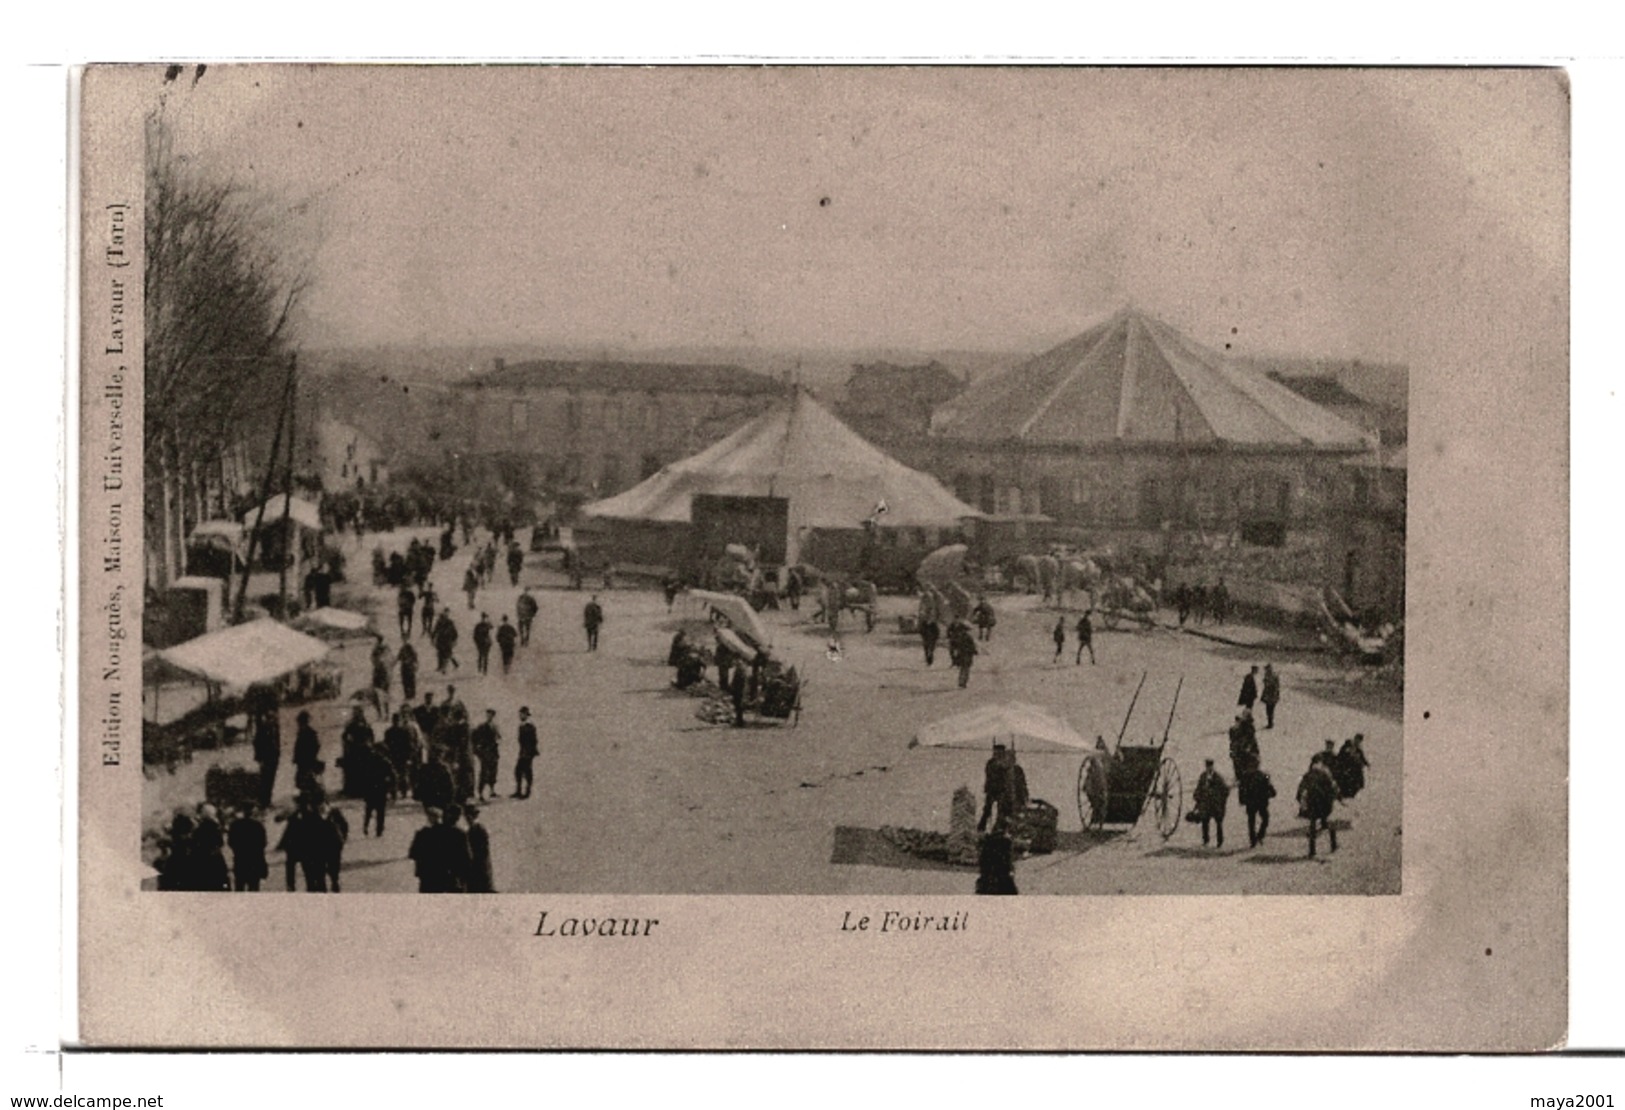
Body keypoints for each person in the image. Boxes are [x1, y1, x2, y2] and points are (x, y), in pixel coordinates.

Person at [1297, 754, 1340, 857]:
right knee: (1325, 824)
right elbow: (1333, 789)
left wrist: (1302, 803)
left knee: (1313, 825)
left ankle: (1312, 851)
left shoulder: (1308, 775)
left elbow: (1301, 790)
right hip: (1324, 804)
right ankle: (1333, 844)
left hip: (1312, 804)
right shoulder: (1325, 774)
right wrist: (1334, 798)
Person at [227, 805, 269, 892]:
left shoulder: (235, 825)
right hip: (254, 861)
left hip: (240, 860)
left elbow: (230, 842)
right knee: (254, 887)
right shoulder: (258, 826)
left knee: (239, 887)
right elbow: (263, 843)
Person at [359, 740, 395, 838]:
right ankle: (369, 827)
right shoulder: (380, 761)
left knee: (375, 811)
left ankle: (376, 829)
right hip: (376, 789)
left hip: (377, 789)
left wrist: (392, 790)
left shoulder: (373, 760)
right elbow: (393, 777)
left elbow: (392, 777)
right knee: (374, 811)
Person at [1193, 759, 1230, 848]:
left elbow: (1225, 790)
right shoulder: (1203, 776)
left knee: (1218, 823)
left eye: (1210, 766)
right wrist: (1197, 797)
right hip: (1206, 804)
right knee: (1205, 822)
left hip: (1215, 805)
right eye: (1207, 766)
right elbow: (1198, 788)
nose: (1208, 768)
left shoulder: (1218, 777)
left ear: (1212, 767)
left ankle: (1219, 841)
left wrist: (1221, 801)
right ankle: (1206, 840)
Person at [384, 710, 419, 802]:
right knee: (394, 774)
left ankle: (402, 792)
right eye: (395, 720)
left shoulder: (403, 731)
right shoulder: (389, 732)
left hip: (402, 756)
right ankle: (394, 793)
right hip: (394, 756)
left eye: (397, 720)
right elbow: (386, 745)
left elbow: (409, 745)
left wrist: (409, 757)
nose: (396, 722)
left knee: (402, 775)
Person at [1237, 766, 1277, 848]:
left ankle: (1254, 840)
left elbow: (1241, 789)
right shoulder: (1262, 775)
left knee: (1252, 821)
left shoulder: (1245, 776)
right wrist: (1270, 794)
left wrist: (1242, 800)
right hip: (1260, 802)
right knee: (1264, 819)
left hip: (1252, 803)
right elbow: (1271, 789)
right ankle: (1258, 836)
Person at [339, 706, 374, 798]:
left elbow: (371, 736)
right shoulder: (352, 724)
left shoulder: (366, 724)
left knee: (364, 770)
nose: (358, 714)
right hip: (355, 750)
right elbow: (344, 736)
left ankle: (363, 789)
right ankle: (354, 790)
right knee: (354, 770)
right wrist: (349, 743)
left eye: (359, 712)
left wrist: (369, 743)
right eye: (356, 713)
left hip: (363, 750)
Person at [975, 825, 1018, 895]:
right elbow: (1007, 861)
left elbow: (982, 862)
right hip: (1001, 878)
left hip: (989, 878)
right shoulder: (1005, 843)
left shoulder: (988, 844)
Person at [252, 708, 281, 809]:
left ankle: (268, 801)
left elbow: (277, 742)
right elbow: (256, 743)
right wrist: (259, 759)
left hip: (274, 757)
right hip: (266, 759)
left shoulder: (276, 727)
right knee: (265, 780)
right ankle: (263, 802)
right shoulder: (263, 729)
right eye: (272, 718)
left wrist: (278, 755)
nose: (274, 720)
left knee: (271, 779)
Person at [472, 709, 501, 802]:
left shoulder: (495, 726)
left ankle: (492, 791)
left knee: (493, 771)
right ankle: (480, 793)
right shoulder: (482, 726)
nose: (489, 716)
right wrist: (477, 750)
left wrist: (498, 739)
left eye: (491, 715)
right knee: (484, 773)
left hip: (493, 753)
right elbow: (474, 737)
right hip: (485, 753)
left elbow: (498, 737)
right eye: (488, 715)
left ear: (493, 716)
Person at [465, 805, 495, 893]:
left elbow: (482, 851)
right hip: (481, 867)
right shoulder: (476, 828)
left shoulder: (478, 829)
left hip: (479, 868)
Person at [291, 710, 322, 796]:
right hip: (302, 762)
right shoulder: (302, 732)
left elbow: (316, 746)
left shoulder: (310, 732)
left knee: (307, 781)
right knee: (302, 781)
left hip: (307, 762)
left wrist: (310, 756)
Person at [1333, 734, 1370, 799]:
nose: (1357, 741)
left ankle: (1352, 791)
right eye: (1357, 739)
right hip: (1345, 764)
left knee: (1357, 776)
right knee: (1343, 775)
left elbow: (1362, 757)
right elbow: (1341, 755)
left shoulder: (1358, 749)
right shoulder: (1348, 745)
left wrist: (1366, 763)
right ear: (1355, 738)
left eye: (1359, 741)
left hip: (1354, 767)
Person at [513, 706, 539, 799]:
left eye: (521, 714)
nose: (520, 716)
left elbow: (533, 741)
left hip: (527, 752)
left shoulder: (529, 726)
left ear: (526, 715)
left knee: (526, 771)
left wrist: (529, 753)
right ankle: (519, 791)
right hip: (523, 751)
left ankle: (526, 792)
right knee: (518, 771)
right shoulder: (522, 725)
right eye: (519, 714)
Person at [1228, 709, 1260, 779]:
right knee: (1237, 763)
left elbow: (1251, 738)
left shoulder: (1247, 727)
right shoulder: (1233, 729)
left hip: (1245, 749)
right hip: (1238, 749)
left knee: (1244, 762)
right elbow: (1232, 740)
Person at [948, 619, 977, 688]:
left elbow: (952, 645)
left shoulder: (956, 636)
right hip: (967, 654)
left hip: (960, 654)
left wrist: (953, 654)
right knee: (966, 668)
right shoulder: (968, 637)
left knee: (962, 668)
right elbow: (972, 646)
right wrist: (974, 651)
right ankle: (963, 682)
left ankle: (961, 681)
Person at [370, 640, 392, 719]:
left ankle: (385, 714)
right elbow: (372, 659)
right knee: (376, 695)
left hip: (384, 675)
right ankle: (381, 714)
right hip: (380, 675)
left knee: (383, 695)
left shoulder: (384, 650)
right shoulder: (377, 650)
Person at [433, 608, 460, 673]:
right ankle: (441, 666)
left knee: (447, 654)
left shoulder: (450, 622)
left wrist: (454, 640)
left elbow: (454, 632)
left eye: (446, 613)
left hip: (448, 640)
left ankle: (444, 669)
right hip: (440, 640)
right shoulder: (439, 622)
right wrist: (433, 637)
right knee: (440, 653)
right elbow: (435, 630)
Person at [1260, 663, 1281, 729]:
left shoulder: (1270, 676)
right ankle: (1270, 723)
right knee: (1270, 710)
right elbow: (1277, 686)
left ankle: (1270, 723)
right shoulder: (1274, 675)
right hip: (1272, 695)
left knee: (1269, 710)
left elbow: (1268, 684)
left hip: (1270, 695)